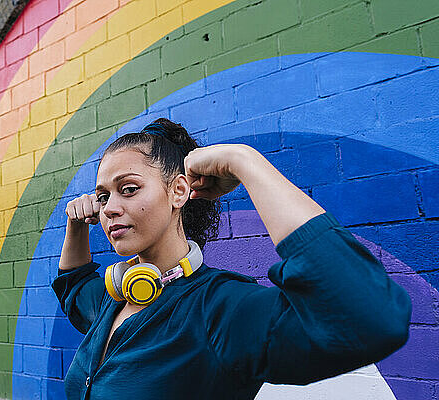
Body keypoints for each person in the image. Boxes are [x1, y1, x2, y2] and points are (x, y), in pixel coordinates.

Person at [51, 118, 411, 399]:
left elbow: (370, 319)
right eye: (102, 197)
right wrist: (75, 225)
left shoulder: (219, 310)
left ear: (178, 191)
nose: (110, 208)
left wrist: (245, 161)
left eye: (128, 189)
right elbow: (73, 284)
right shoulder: (111, 300)